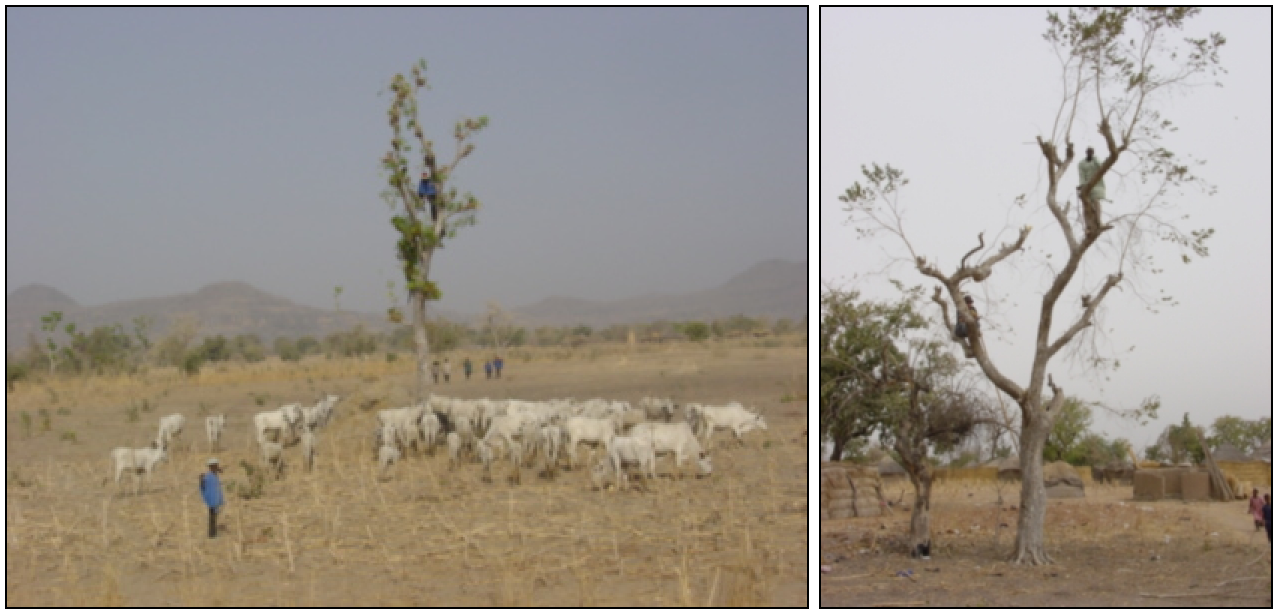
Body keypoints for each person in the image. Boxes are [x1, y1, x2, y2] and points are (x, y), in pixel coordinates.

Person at [1077, 147, 1105, 232]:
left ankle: (1099, 222)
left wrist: (1095, 159)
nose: (1090, 153)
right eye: (1088, 152)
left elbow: (1101, 167)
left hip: (1097, 184)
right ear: (1086, 153)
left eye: (1091, 152)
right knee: (1086, 206)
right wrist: (1082, 185)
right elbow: (1081, 175)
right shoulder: (1081, 163)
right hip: (1086, 185)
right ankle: (1088, 227)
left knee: (1096, 202)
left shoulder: (1096, 161)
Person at [200, 459, 224, 538]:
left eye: (216, 465)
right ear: (210, 467)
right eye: (213, 466)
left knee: (214, 517)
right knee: (212, 517)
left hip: (215, 500)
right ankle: (212, 534)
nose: (215, 467)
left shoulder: (214, 475)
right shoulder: (208, 476)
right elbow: (203, 487)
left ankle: (213, 533)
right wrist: (201, 480)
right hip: (212, 500)